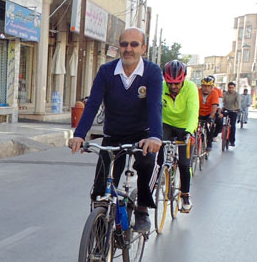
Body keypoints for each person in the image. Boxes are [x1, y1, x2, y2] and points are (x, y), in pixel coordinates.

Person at [68, 28, 163, 233]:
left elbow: (155, 105)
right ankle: (99, 240)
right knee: (100, 188)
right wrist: (79, 135)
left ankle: (142, 209)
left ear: (143, 48)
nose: (128, 49)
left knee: (146, 163)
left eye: (134, 44)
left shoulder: (152, 72)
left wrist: (155, 136)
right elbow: (93, 104)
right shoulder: (106, 71)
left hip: (142, 135)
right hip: (114, 134)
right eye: (124, 44)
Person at [160, 60, 198, 212]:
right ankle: (161, 175)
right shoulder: (161, 87)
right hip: (166, 123)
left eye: (177, 83)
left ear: (183, 80)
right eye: (170, 83)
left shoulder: (191, 88)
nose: (173, 86)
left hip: (185, 126)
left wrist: (189, 131)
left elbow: (193, 112)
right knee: (158, 151)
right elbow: (153, 109)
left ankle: (185, 195)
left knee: (184, 163)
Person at [198, 76, 222, 151]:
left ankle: (209, 144)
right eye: (204, 86)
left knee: (209, 127)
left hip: (209, 113)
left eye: (208, 86)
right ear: (201, 86)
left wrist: (211, 118)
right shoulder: (197, 91)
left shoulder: (214, 93)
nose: (206, 88)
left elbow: (215, 106)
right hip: (198, 113)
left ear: (212, 87)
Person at [222, 81, 241, 148]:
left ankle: (232, 141)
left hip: (234, 111)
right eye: (229, 88)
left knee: (232, 125)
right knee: (221, 121)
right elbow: (222, 101)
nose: (231, 89)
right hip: (226, 110)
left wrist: (238, 109)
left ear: (234, 88)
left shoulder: (237, 95)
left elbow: (238, 102)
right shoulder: (225, 94)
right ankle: (223, 134)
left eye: (232, 88)